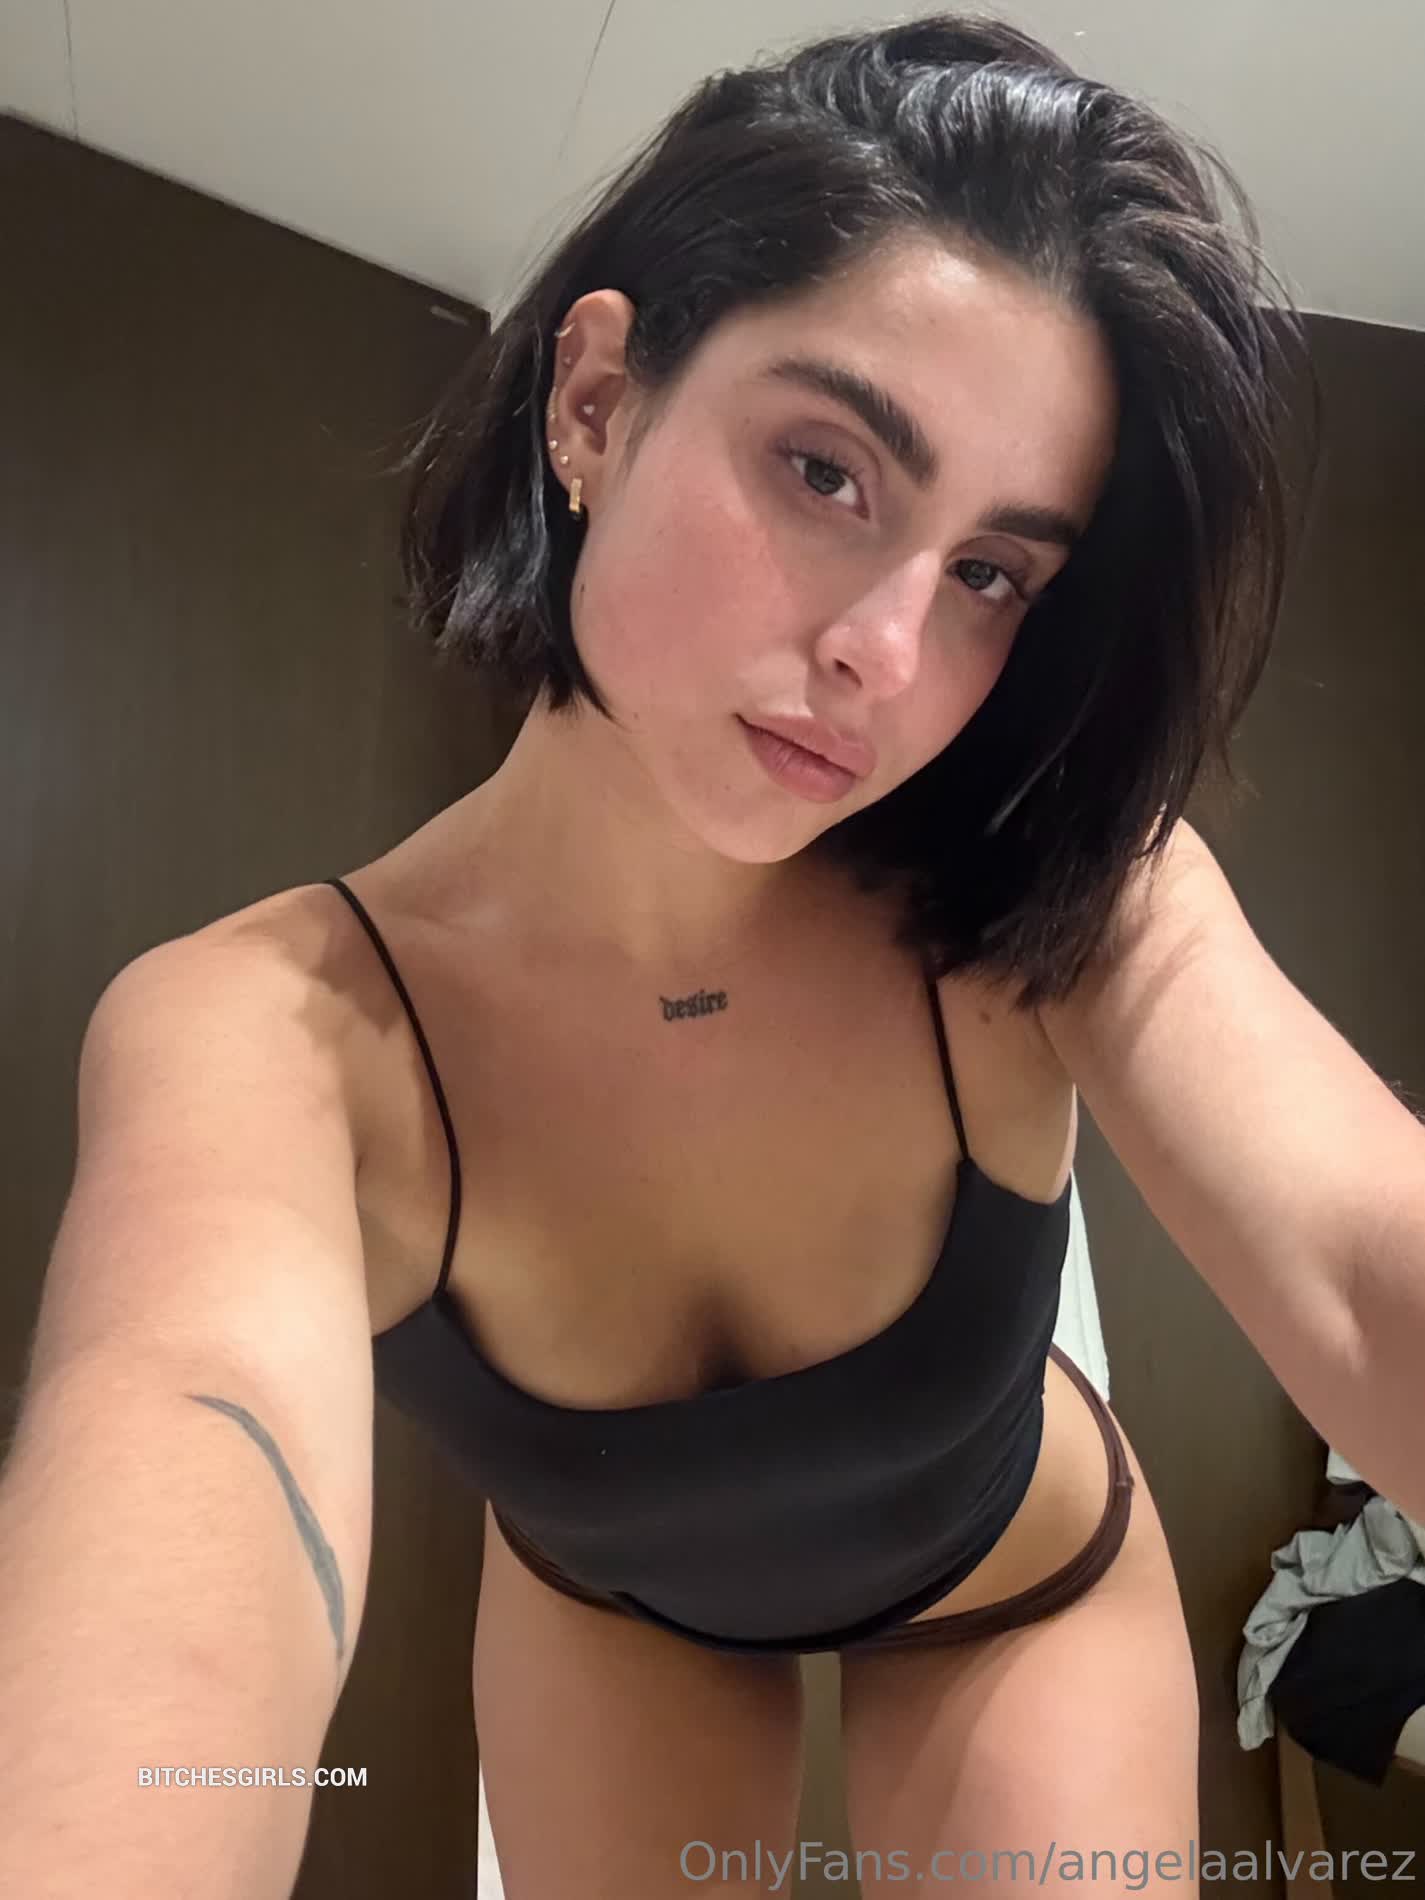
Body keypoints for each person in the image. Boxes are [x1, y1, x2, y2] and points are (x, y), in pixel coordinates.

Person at [5, 11, 1424, 1898]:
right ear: (596, 399)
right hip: (619, 1620)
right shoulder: (267, 1031)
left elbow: (1359, 1261)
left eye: (990, 572)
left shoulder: (1062, 884)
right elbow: (188, 1444)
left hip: (1013, 1592)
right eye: (827, 471)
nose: (886, 656)